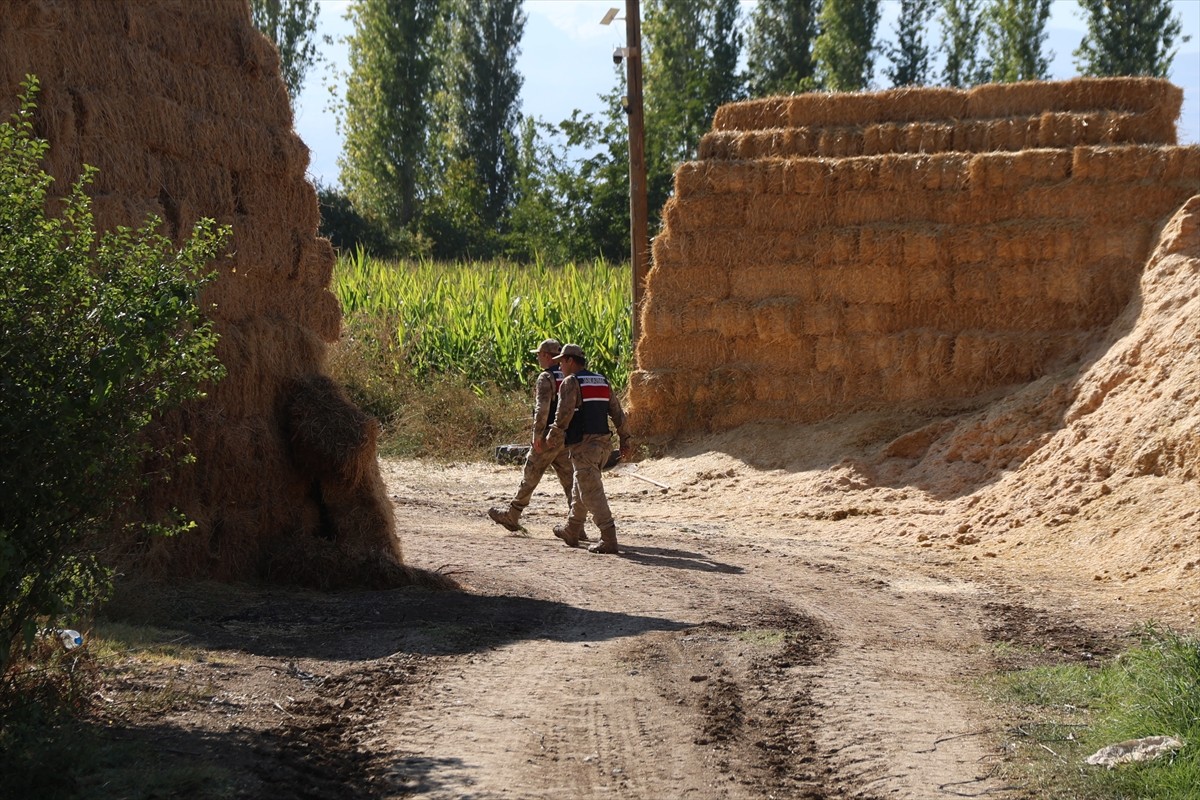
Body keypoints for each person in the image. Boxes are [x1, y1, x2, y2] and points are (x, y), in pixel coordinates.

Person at [487, 338, 584, 538]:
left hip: (548, 437)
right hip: (565, 437)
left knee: (530, 475)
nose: (538, 358)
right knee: (570, 483)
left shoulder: (545, 378)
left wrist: (537, 435)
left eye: (539, 354)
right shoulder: (570, 376)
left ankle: (512, 515)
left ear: (547, 356)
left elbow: (542, 408)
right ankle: (577, 525)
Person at [546, 343, 631, 554]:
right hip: (603, 445)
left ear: (570, 361)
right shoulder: (602, 380)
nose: (559, 368)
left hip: (584, 445)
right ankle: (572, 529)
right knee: (580, 485)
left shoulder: (570, 382)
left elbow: (563, 415)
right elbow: (617, 413)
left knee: (591, 492)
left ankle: (608, 537)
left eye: (561, 363)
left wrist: (553, 436)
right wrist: (625, 439)